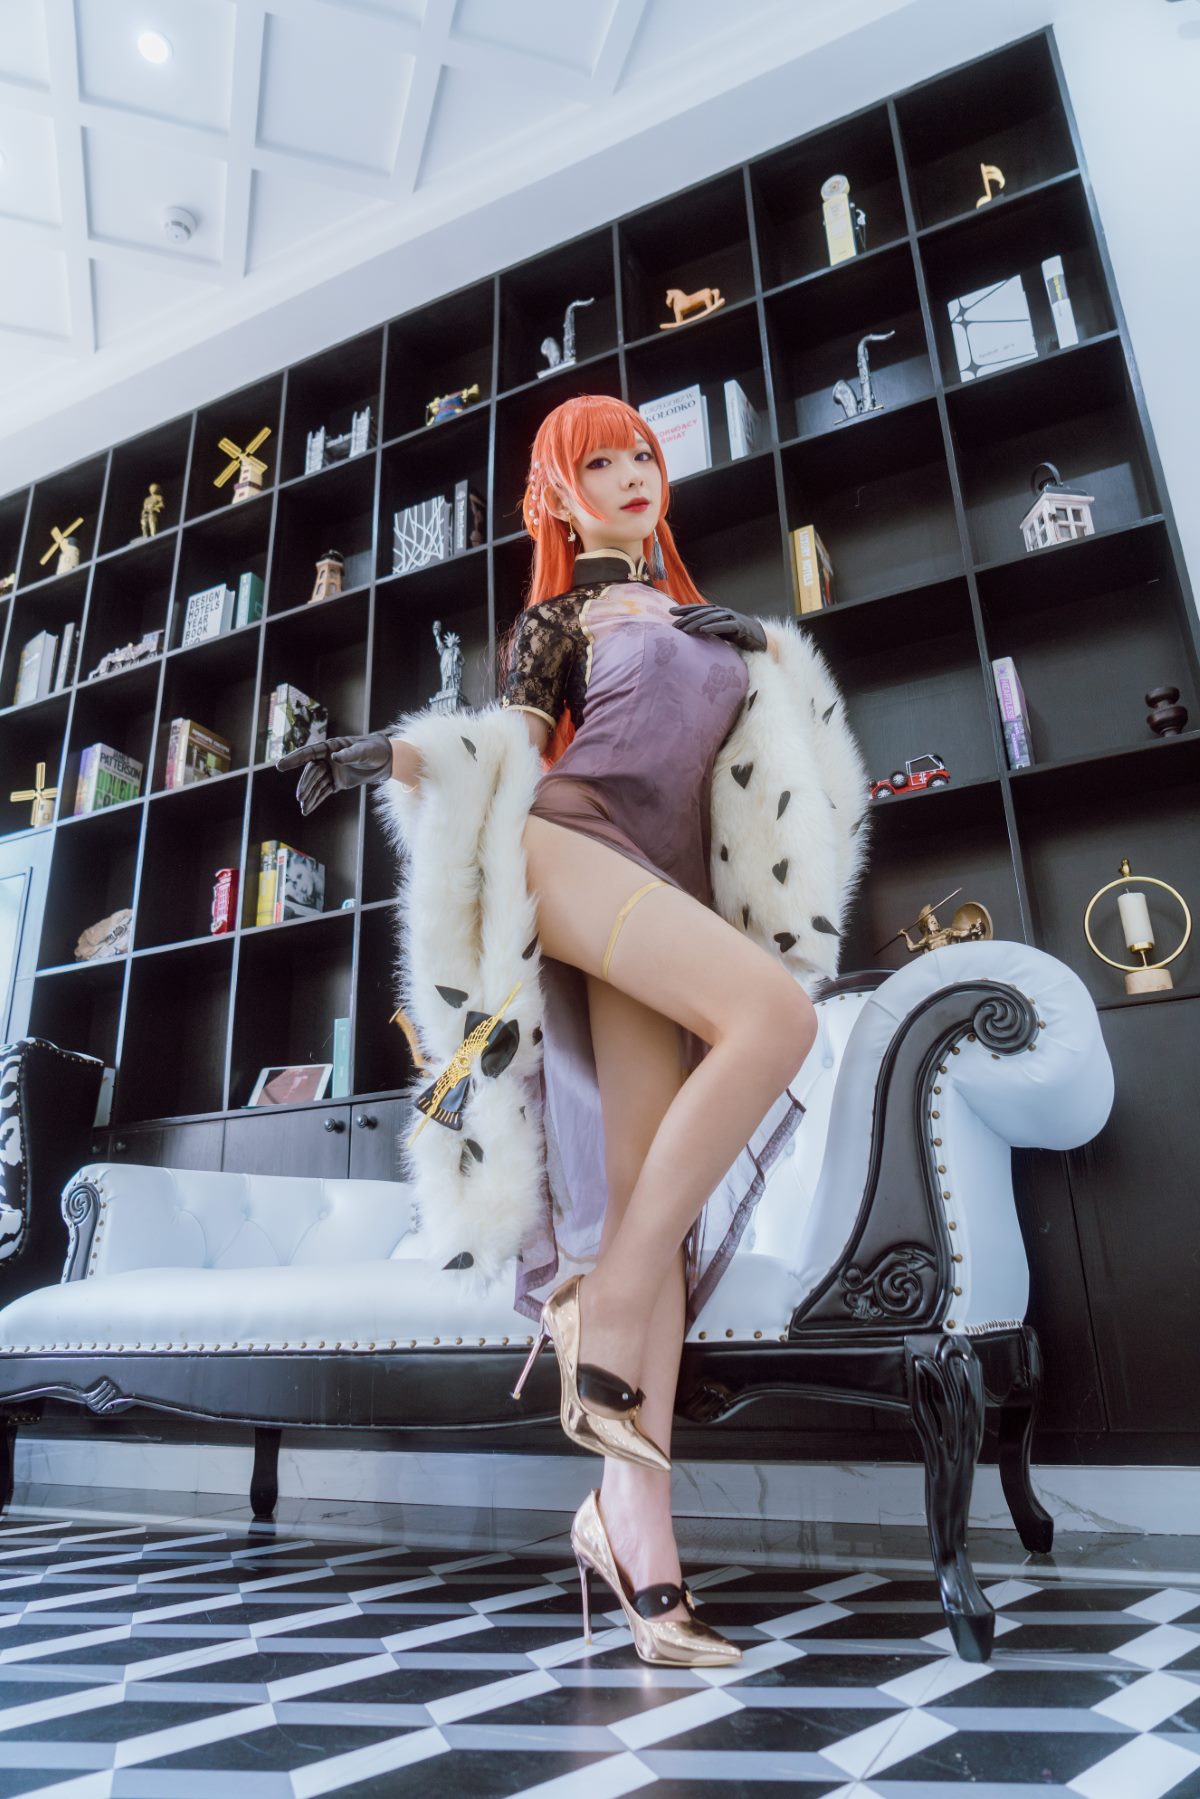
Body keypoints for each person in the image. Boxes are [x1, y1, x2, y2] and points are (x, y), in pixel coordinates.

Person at [278, 393, 857, 1668]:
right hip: (572, 847)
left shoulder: (710, 621)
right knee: (774, 1020)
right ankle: (611, 1297)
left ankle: (632, 1535)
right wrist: (393, 757)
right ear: (558, 493)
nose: (633, 473)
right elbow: (504, 756)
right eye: (601, 460)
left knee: (643, 1200)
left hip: (665, 894)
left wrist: (767, 651)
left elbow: (793, 775)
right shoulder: (557, 622)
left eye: (643, 453)